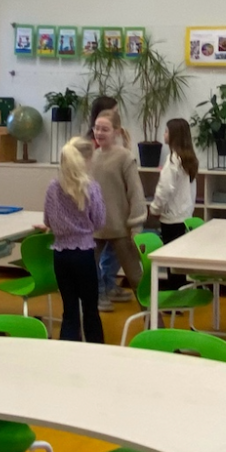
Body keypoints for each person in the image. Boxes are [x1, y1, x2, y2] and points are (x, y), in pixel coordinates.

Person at [43, 138, 106, 343]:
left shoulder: (53, 188)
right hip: (84, 254)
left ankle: (67, 353)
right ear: (85, 161)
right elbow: (99, 221)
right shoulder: (91, 187)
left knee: (69, 311)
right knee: (90, 309)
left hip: (61, 255)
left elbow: (47, 221)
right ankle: (96, 351)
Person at [91, 109, 145, 294]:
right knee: (86, 271)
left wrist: (136, 227)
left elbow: (136, 193)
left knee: (135, 277)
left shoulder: (125, 157)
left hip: (121, 228)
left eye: (104, 129)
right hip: (96, 228)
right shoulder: (92, 157)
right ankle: (97, 303)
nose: (99, 133)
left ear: (116, 131)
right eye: (96, 128)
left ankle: (150, 311)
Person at [85, 96, 131, 311]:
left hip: (114, 213)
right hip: (95, 214)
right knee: (93, 255)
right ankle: (100, 290)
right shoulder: (90, 147)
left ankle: (109, 284)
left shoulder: (119, 152)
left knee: (117, 251)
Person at [149, 118, 198, 290]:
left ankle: (174, 293)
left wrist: (155, 209)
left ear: (174, 136)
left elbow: (164, 189)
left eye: (166, 131)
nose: (164, 134)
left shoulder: (172, 160)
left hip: (171, 218)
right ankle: (180, 289)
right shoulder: (189, 159)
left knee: (171, 259)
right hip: (184, 216)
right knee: (178, 259)